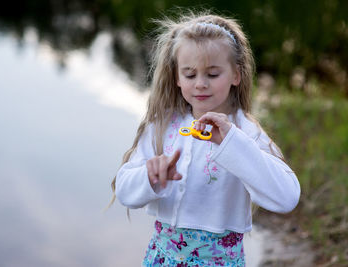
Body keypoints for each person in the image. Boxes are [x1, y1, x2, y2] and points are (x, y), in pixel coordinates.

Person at [111, 11, 300, 266]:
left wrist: (233, 144)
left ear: (236, 75)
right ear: (177, 77)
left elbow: (286, 198)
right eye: (190, 74)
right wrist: (149, 176)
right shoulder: (162, 125)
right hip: (161, 259)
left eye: (212, 74)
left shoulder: (244, 131)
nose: (200, 84)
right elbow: (124, 190)